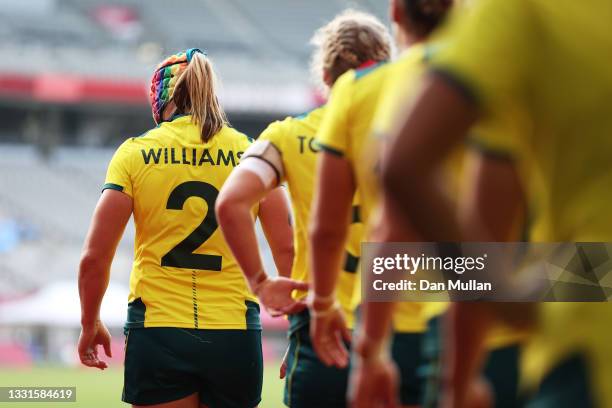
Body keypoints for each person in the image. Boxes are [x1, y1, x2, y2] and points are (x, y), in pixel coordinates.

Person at [377, 0, 612, 407]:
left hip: (586, 336)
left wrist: (505, 301)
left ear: (398, 14)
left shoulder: (523, 16)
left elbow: (404, 173)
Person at [78, 48, 296, 408]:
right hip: (235, 331)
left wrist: (90, 322)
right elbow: (289, 250)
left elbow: (94, 257)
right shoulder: (254, 152)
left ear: (161, 99)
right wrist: (301, 331)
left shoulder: (134, 153)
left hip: (158, 328)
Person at [215, 10, 390, 408]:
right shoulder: (416, 124)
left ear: (325, 76)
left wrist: (260, 282)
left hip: (322, 326)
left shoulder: (287, 135)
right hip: (402, 321)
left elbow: (230, 202)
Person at [309, 1, 452, 407]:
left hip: (400, 317)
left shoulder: (360, 89)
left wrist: (327, 310)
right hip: (527, 309)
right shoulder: (504, 74)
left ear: (396, 13)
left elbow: (335, 225)